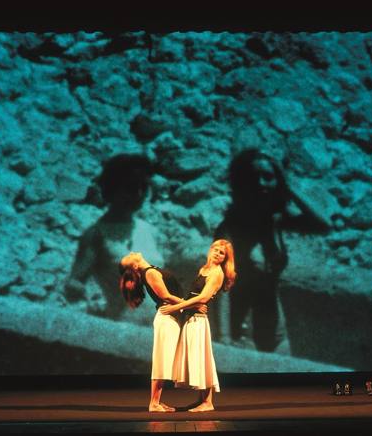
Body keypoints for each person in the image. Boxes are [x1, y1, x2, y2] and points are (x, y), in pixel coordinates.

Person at [214, 149, 328, 353]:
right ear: (242, 183)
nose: (260, 183)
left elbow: (323, 224)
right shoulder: (231, 229)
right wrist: (224, 339)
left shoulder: (276, 221)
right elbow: (220, 287)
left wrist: (288, 187)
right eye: (253, 178)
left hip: (277, 335)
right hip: (241, 334)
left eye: (268, 177)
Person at [62, 154, 163, 319]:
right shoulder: (96, 235)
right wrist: (87, 301)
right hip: (125, 330)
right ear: (113, 189)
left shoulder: (149, 231)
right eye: (131, 188)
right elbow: (74, 282)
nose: (138, 194)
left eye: (143, 187)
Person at [119, 251, 207, 412]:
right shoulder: (150, 272)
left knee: (165, 360)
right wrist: (192, 304)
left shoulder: (151, 270)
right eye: (129, 256)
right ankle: (154, 403)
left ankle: (156, 401)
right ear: (135, 265)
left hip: (171, 317)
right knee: (162, 360)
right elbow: (165, 295)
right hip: (167, 318)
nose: (131, 251)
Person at [159, 239, 236, 412]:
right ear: (210, 250)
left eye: (221, 252)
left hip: (198, 322)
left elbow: (203, 298)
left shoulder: (217, 273)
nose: (217, 253)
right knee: (196, 359)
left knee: (202, 359)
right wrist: (185, 306)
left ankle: (208, 403)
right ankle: (202, 400)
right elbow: (195, 297)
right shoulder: (204, 269)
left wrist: (176, 307)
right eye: (215, 249)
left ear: (225, 258)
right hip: (190, 317)